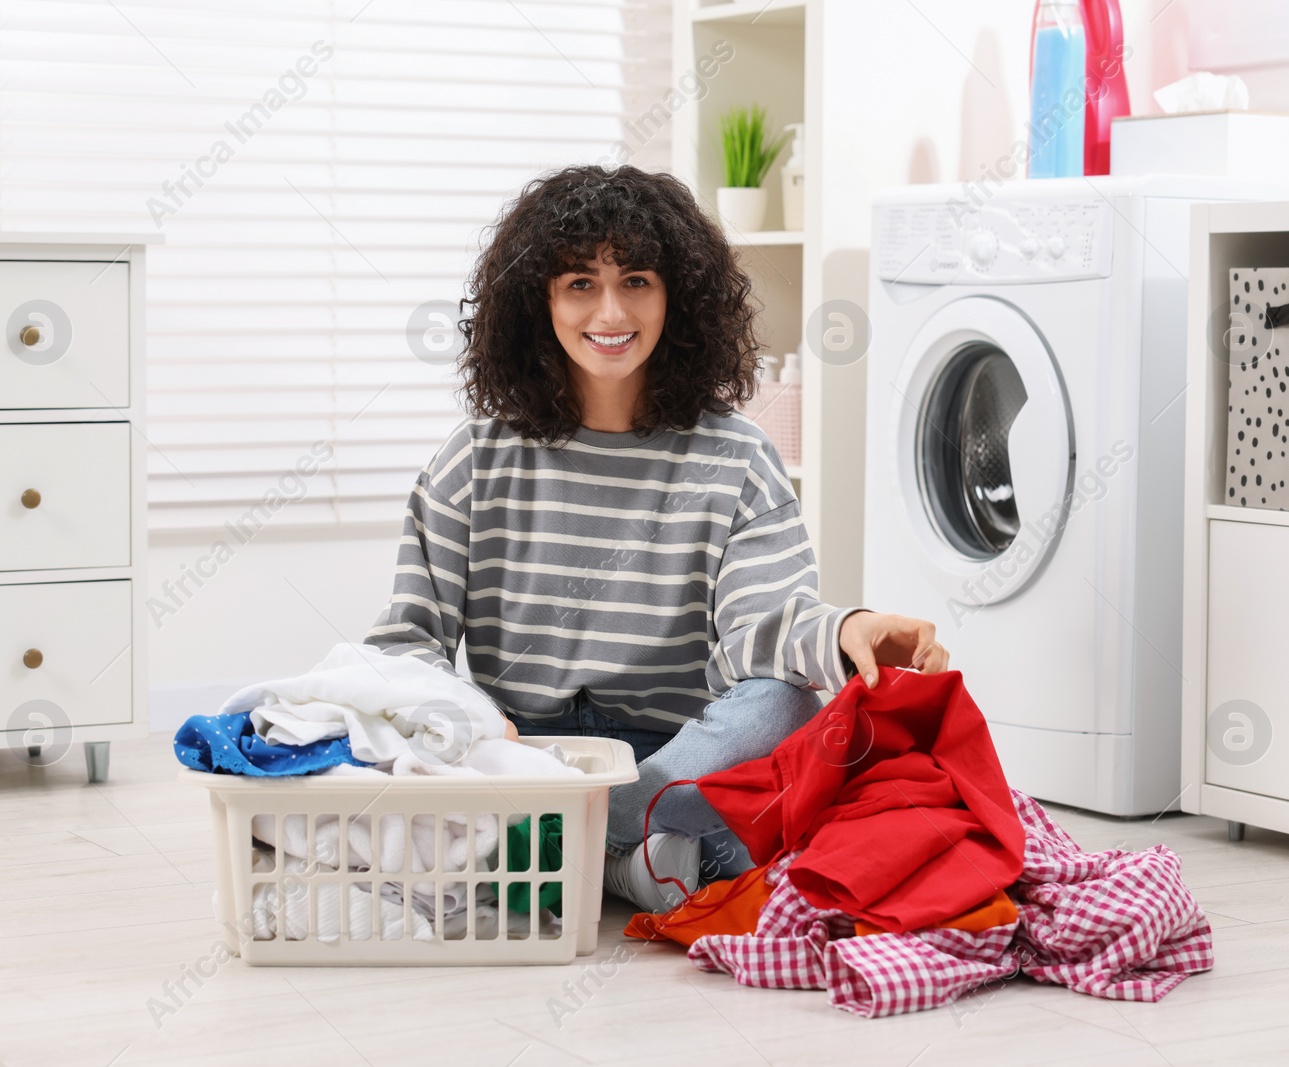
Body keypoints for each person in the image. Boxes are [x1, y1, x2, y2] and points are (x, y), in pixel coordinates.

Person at [364, 164, 949, 912]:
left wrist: (848, 629)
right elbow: (403, 644)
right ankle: (639, 853)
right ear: (537, 300)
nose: (611, 309)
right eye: (580, 282)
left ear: (678, 296)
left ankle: (569, 839)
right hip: (531, 752)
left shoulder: (736, 457)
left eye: (636, 279)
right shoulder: (473, 460)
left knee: (786, 704)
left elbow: (760, 623)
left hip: (681, 751)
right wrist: (471, 719)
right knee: (746, 835)